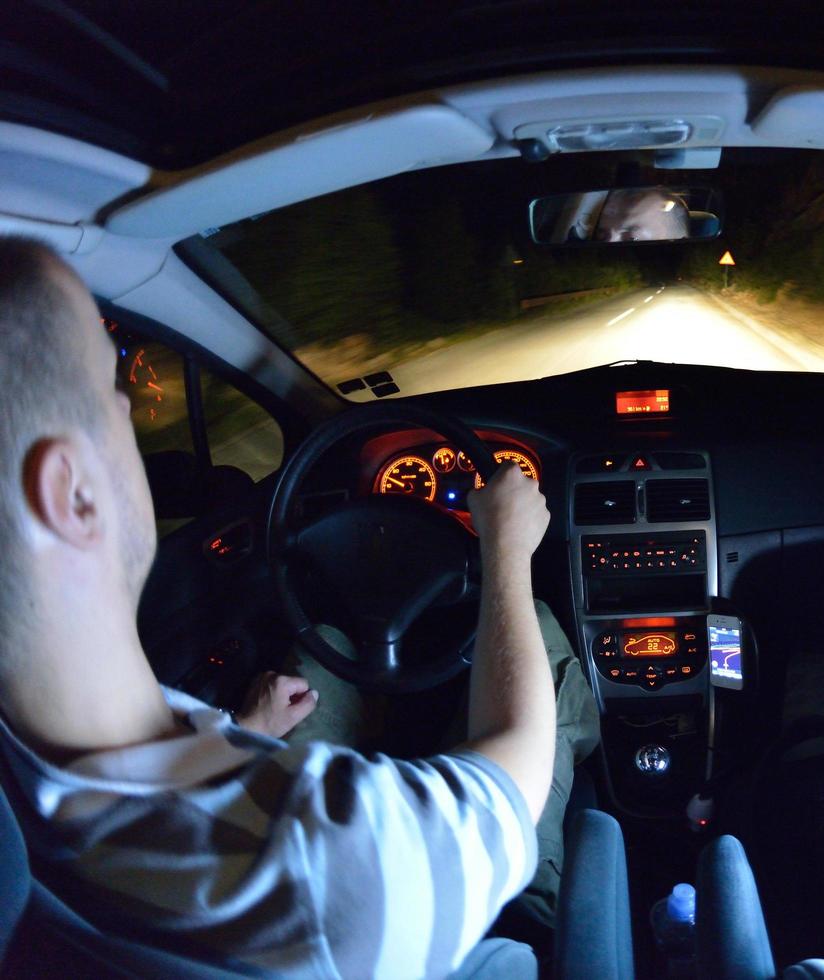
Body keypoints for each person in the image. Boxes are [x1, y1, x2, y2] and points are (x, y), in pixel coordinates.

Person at [0, 237, 596, 976]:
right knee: (542, 644)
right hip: (479, 944)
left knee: (330, 640)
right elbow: (513, 768)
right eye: (113, 397)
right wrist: (507, 549)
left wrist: (241, 730)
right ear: (73, 495)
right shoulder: (332, 866)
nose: (133, 414)